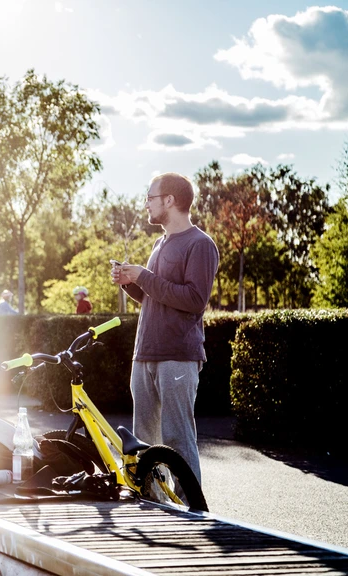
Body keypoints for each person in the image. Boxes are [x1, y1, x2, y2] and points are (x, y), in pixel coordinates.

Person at [111, 172, 219, 483]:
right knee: (144, 443)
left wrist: (143, 276)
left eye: (150, 198)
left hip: (178, 358)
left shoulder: (200, 244)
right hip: (144, 355)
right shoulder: (159, 243)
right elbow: (154, 297)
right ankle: (156, 507)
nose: (146, 204)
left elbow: (194, 300)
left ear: (169, 200)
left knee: (177, 440)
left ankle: (194, 512)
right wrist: (129, 283)